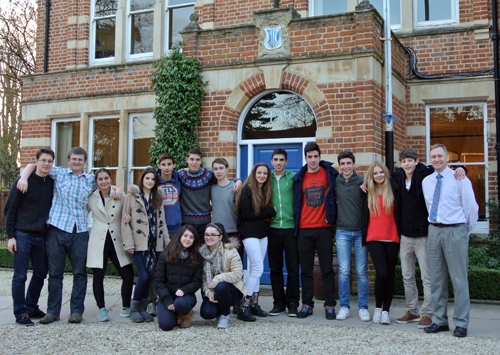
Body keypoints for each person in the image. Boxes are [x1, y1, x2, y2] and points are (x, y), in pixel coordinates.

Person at [16, 147, 105, 325]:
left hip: (79, 232)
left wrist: (118, 191)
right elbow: (34, 165)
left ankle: (76, 311)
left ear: (85, 162)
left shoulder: (90, 180)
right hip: (57, 230)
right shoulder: (59, 173)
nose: (77, 162)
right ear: (68, 160)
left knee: (79, 273)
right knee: (55, 273)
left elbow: (106, 185)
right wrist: (24, 178)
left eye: (80, 160)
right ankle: (53, 311)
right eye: (74, 159)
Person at [393, 148, 466, 328]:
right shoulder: (398, 177)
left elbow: (443, 170)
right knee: (407, 276)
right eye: (404, 161)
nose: (407, 164)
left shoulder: (425, 174)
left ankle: (427, 313)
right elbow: (377, 178)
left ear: (417, 161)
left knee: (428, 277)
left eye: (410, 160)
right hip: (405, 235)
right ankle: (412, 310)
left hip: (423, 235)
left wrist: (462, 167)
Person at [422, 143, 478, 338]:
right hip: (434, 231)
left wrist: (464, 231)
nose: (436, 159)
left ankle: (461, 323)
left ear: (447, 158)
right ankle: (440, 320)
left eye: (440, 156)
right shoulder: (427, 181)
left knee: (459, 280)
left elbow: (471, 207)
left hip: (455, 230)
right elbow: (429, 207)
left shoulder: (459, 178)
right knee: (436, 279)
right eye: (433, 157)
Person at [4, 148, 55, 326]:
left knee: (41, 273)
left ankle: (31, 306)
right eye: (43, 160)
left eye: (49, 161)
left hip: (42, 236)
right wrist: (10, 236)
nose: (46, 164)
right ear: (37, 161)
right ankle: (20, 312)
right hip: (23, 234)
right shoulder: (23, 182)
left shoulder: (51, 182)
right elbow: (10, 210)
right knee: (20, 276)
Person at [292, 142, 338, 320]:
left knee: (327, 269)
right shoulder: (299, 177)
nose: (313, 160)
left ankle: (329, 305)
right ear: (306, 158)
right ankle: (307, 304)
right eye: (309, 157)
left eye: (315, 156)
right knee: (306, 270)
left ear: (320, 157)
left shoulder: (329, 174)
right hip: (303, 230)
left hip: (324, 229)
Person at [122, 167, 169, 323]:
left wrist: (166, 244)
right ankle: (134, 308)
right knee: (143, 275)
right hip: (138, 243)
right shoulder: (132, 195)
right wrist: (128, 243)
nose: (150, 181)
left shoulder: (158, 197)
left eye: (153, 179)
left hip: (154, 243)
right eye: (147, 178)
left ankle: (143, 308)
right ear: (142, 179)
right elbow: (124, 222)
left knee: (151, 276)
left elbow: (162, 223)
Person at [86, 168, 134, 322]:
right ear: (96, 181)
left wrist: (128, 218)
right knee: (98, 276)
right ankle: (101, 309)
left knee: (127, 274)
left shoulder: (120, 195)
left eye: (106, 178)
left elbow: (130, 209)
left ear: (110, 179)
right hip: (98, 239)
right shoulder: (91, 198)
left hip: (117, 238)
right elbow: (81, 212)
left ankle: (126, 306)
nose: (104, 181)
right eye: (100, 179)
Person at [235, 162, 276, 321]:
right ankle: (242, 305)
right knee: (258, 268)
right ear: (254, 173)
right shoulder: (246, 189)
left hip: (262, 234)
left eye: (265, 173)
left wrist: (267, 213)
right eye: (259, 173)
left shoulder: (265, 191)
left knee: (255, 269)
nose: (262, 176)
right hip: (249, 234)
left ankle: (254, 304)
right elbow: (247, 214)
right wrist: (269, 212)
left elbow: (259, 215)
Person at [362, 161, 400, 325]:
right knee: (382, 273)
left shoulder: (394, 189)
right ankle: (377, 308)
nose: (379, 175)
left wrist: (461, 168)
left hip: (392, 237)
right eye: (375, 173)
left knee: (390, 274)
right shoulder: (366, 191)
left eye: (381, 172)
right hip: (374, 237)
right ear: (371, 175)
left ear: (385, 173)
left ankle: (386, 311)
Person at [334, 151, 370, 322]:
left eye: (349, 163)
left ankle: (363, 307)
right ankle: (344, 306)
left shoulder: (363, 181)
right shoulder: (336, 181)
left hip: (360, 232)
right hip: (342, 231)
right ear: (339, 166)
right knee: (343, 271)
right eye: (343, 163)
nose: (346, 166)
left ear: (354, 165)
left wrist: (368, 188)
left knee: (362, 272)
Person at [177, 148, 241, 237]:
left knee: (204, 250)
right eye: (192, 159)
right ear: (187, 159)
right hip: (186, 223)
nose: (194, 162)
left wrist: (238, 181)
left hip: (205, 223)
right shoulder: (180, 174)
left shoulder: (208, 174)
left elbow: (223, 179)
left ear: (201, 161)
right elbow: (167, 177)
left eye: (197, 159)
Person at [267, 148, 300, 317]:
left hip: (290, 229)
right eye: (275, 159)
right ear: (271, 161)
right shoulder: (267, 179)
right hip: (272, 229)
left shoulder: (294, 178)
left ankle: (293, 303)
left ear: (286, 162)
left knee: (293, 268)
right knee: (275, 268)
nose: (278, 162)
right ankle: (278, 302)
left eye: (281, 160)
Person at [149, 153, 182, 317]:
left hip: (176, 229)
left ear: (174, 165)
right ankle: (152, 300)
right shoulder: (153, 181)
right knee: (157, 266)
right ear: (159, 165)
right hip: (159, 230)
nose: (167, 167)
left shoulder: (179, 180)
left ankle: (173, 299)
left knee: (174, 266)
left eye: (170, 164)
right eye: (164, 164)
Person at [153, 225, 202, 331]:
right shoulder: (165, 255)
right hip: (167, 296)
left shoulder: (196, 257)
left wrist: (184, 290)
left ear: (194, 240)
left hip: (185, 296)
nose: (188, 239)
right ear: (179, 236)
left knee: (181, 304)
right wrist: (167, 301)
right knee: (166, 326)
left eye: (191, 237)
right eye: (185, 236)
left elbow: (197, 281)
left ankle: (185, 314)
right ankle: (173, 314)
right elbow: (158, 281)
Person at [200, 222, 246, 329]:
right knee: (207, 313)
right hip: (214, 290)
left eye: (213, 235)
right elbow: (203, 278)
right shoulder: (203, 254)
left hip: (232, 290)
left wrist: (217, 279)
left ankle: (225, 316)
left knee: (221, 286)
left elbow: (237, 274)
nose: (209, 237)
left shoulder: (230, 251)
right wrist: (209, 293)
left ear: (220, 237)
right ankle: (219, 310)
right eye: (206, 234)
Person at [211, 158, 242, 260]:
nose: (218, 171)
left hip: (234, 232)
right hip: (217, 233)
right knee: (218, 266)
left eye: (221, 168)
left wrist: (239, 180)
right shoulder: (211, 188)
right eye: (215, 169)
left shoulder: (235, 187)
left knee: (235, 265)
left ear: (227, 169)